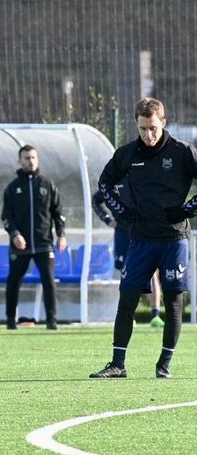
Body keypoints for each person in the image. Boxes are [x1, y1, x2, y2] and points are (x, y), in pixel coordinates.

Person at [90, 97, 197, 379]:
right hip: (141, 240)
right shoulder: (127, 154)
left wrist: (187, 209)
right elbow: (104, 183)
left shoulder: (183, 152)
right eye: (142, 129)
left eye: (152, 128)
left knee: (174, 300)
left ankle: (164, 365)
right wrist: (122, 212)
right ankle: (117, 364)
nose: (148, 135)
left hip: (174, 239)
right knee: (126, 299)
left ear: (163, 122)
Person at [0, 145, 67, 330]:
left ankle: (52, 321)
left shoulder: (48, 185)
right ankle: (10, 320)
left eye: (33, 158)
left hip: (44, 243)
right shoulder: (12, 188)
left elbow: (58, 213)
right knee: (13, 281)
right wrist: (14, 234)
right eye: (27, 158)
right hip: (20, 245)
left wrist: (61, 235)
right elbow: (6, 217)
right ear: (20, 161)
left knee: (49, 281)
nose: (31, 161)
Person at [92, 187, 164, 327]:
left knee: (152, 272)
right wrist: (107, 219)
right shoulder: (114, 179)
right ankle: (129, 315)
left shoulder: (143, 173)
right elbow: (96, 201)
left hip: (144, 231)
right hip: (123, 235)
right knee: (126, 274)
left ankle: (155, 315)